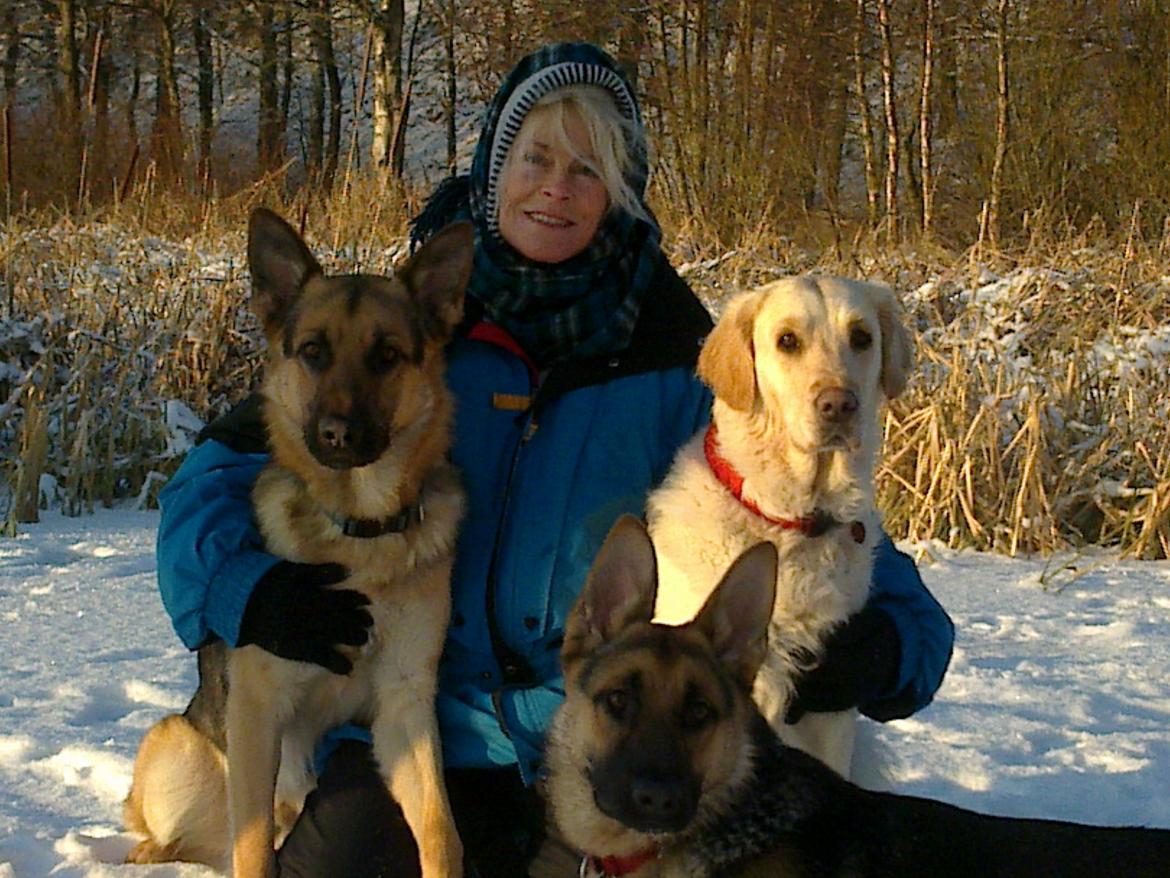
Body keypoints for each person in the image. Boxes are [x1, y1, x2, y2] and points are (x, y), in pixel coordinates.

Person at [154, 42, 954, 878]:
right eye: (535, 159)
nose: (556, 189)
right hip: (422, 733)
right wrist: (244, 592)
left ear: (620, 191)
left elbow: (819, 520)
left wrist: (891, 644)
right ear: (494, 169)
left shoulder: (674, 355)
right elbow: (207, 486)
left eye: (587, 169)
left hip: (605, 740)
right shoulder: (407, 328)